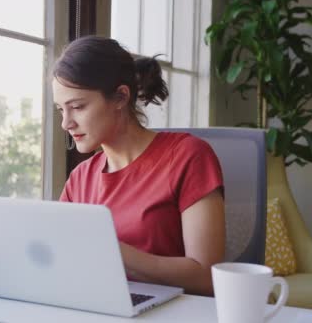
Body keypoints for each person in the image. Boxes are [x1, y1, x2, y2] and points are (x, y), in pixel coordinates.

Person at [53, 36, 225, 296]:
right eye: (60, 110)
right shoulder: (80, 178)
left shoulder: (188, 156)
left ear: (121, 97)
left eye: (77, 107)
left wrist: (114, 251)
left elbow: (207, 275)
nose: (66, 123)